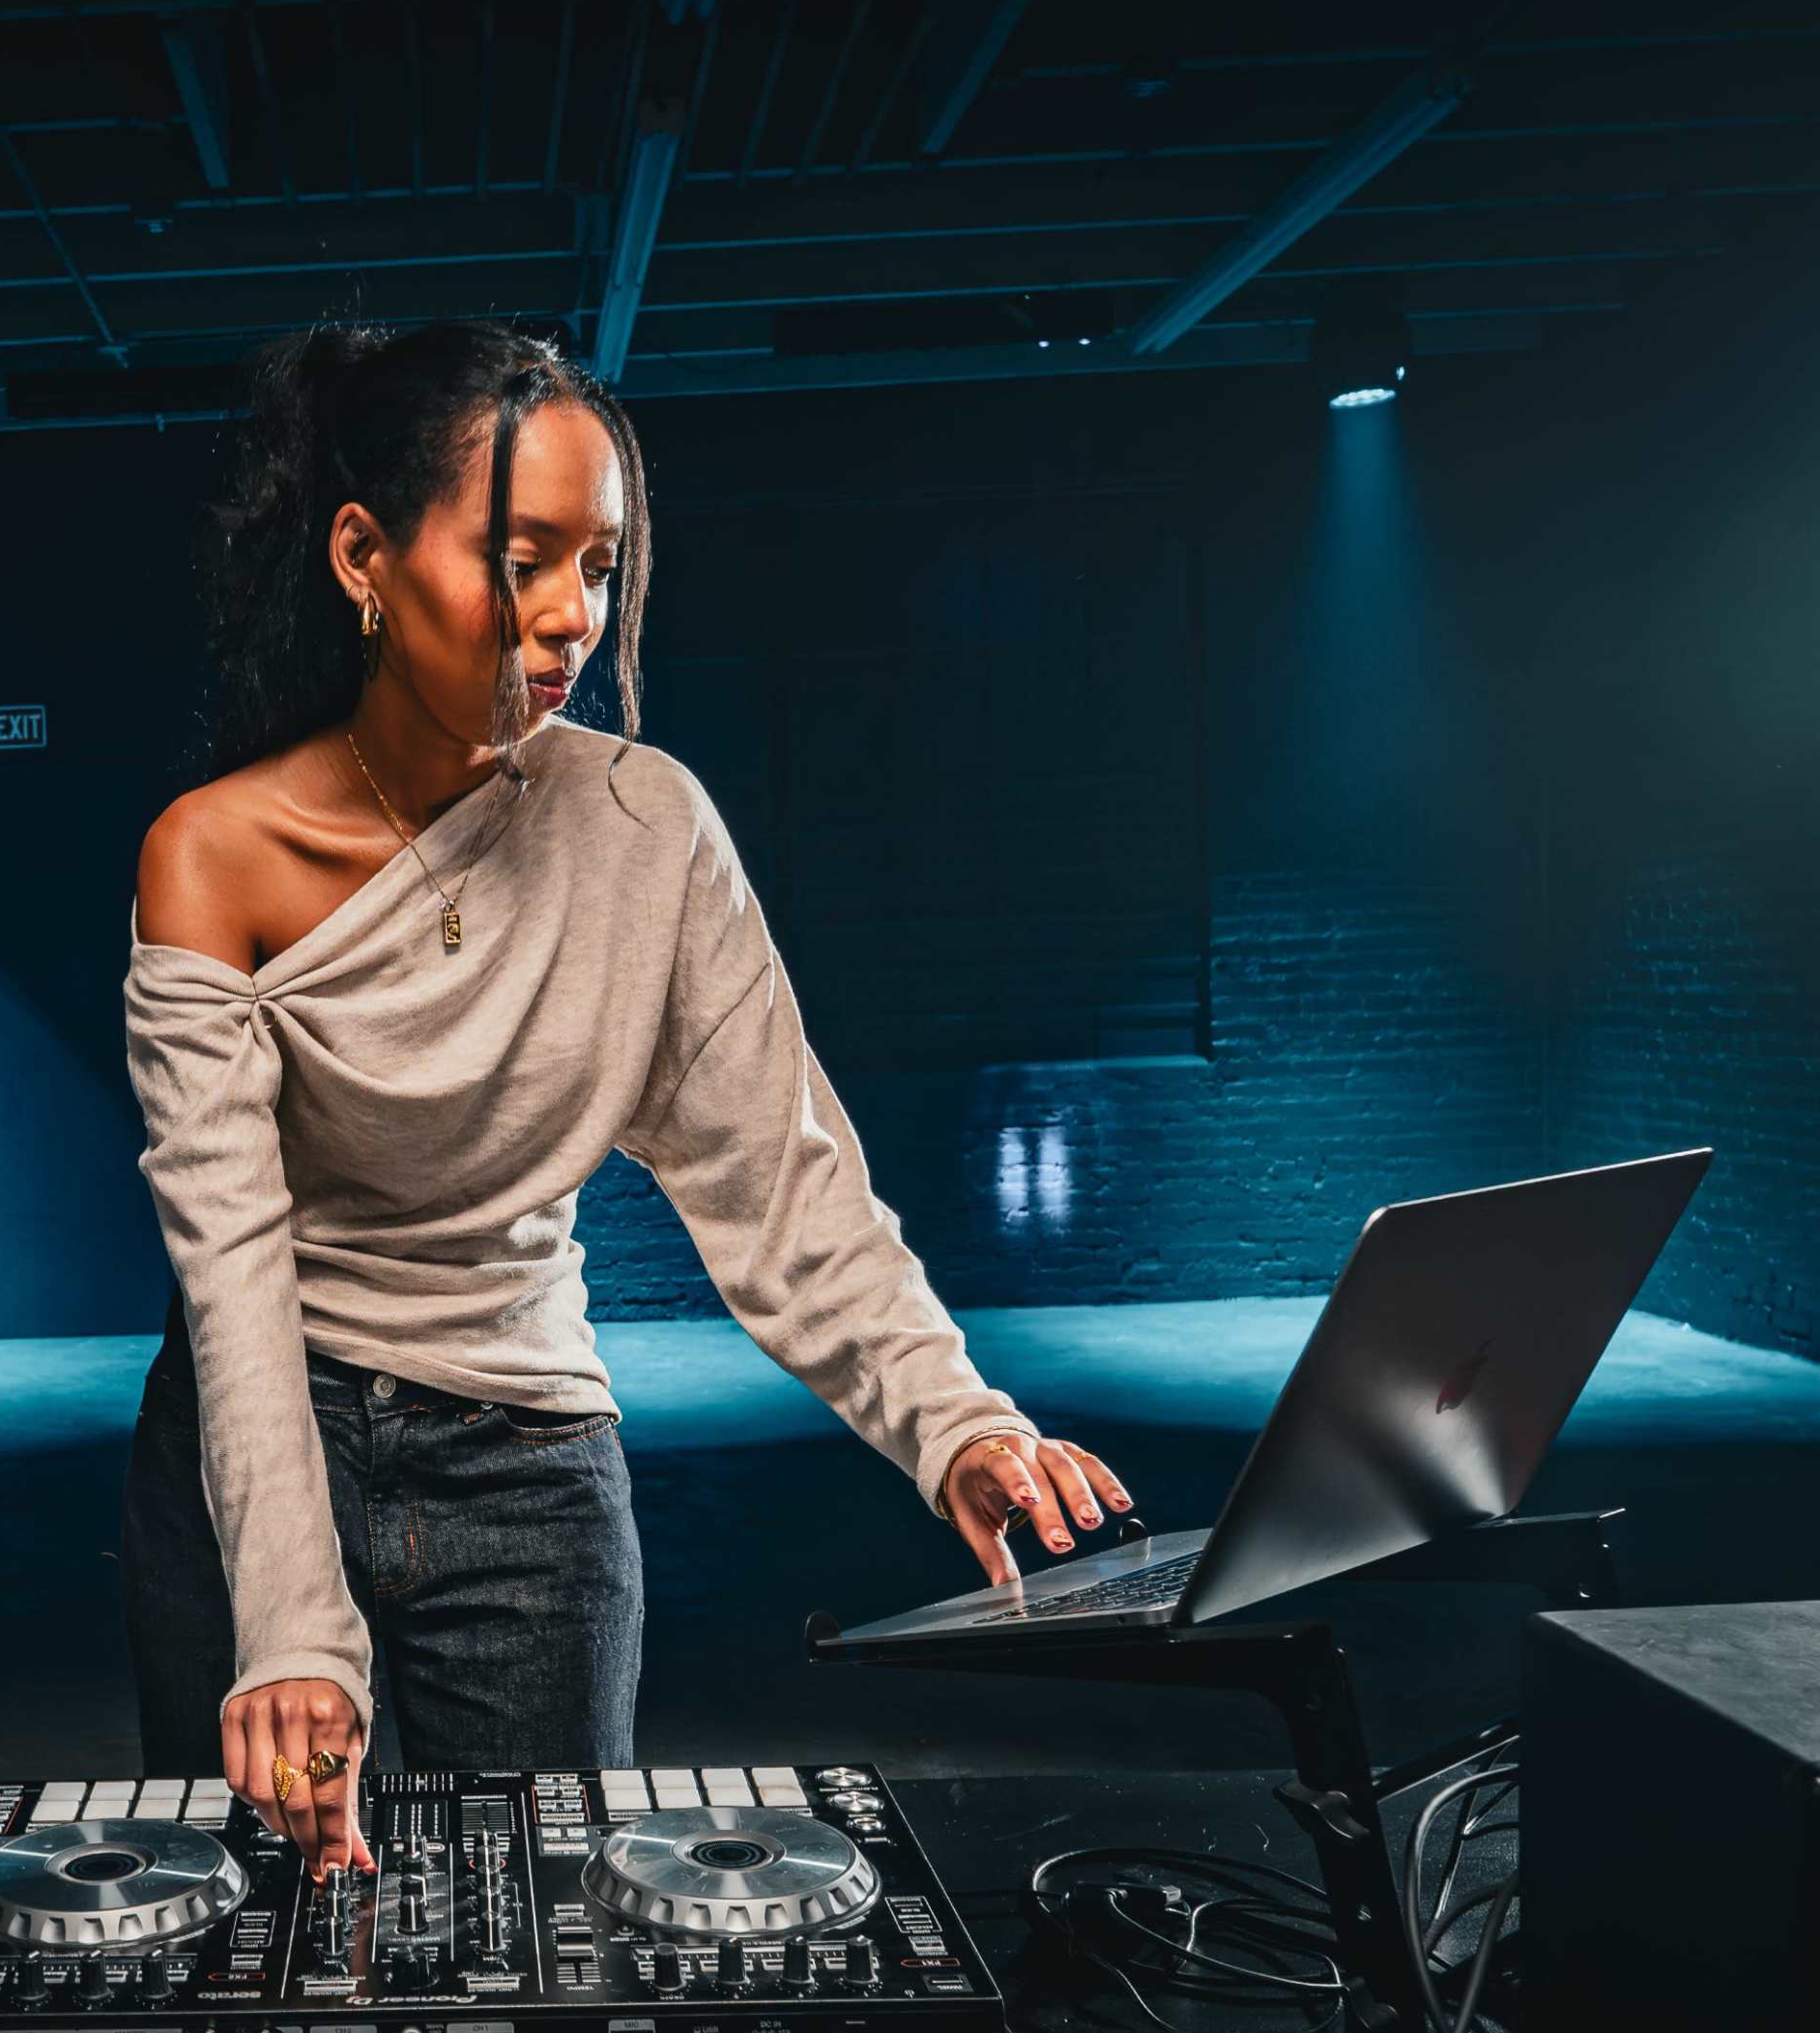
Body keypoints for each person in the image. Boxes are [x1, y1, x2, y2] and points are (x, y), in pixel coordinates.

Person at [119, 319, 1132, 1882]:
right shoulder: (209, 855)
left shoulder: (649, 830)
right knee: (257, 1940)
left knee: (539, 1945)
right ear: (362, 557)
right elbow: (233, 1267)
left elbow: (783, 1187)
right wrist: (292, 1628)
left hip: (530, 1467)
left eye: (599, 565)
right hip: (260, 1432)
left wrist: (959, 1426)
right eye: (521, 556)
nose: (569, 616)